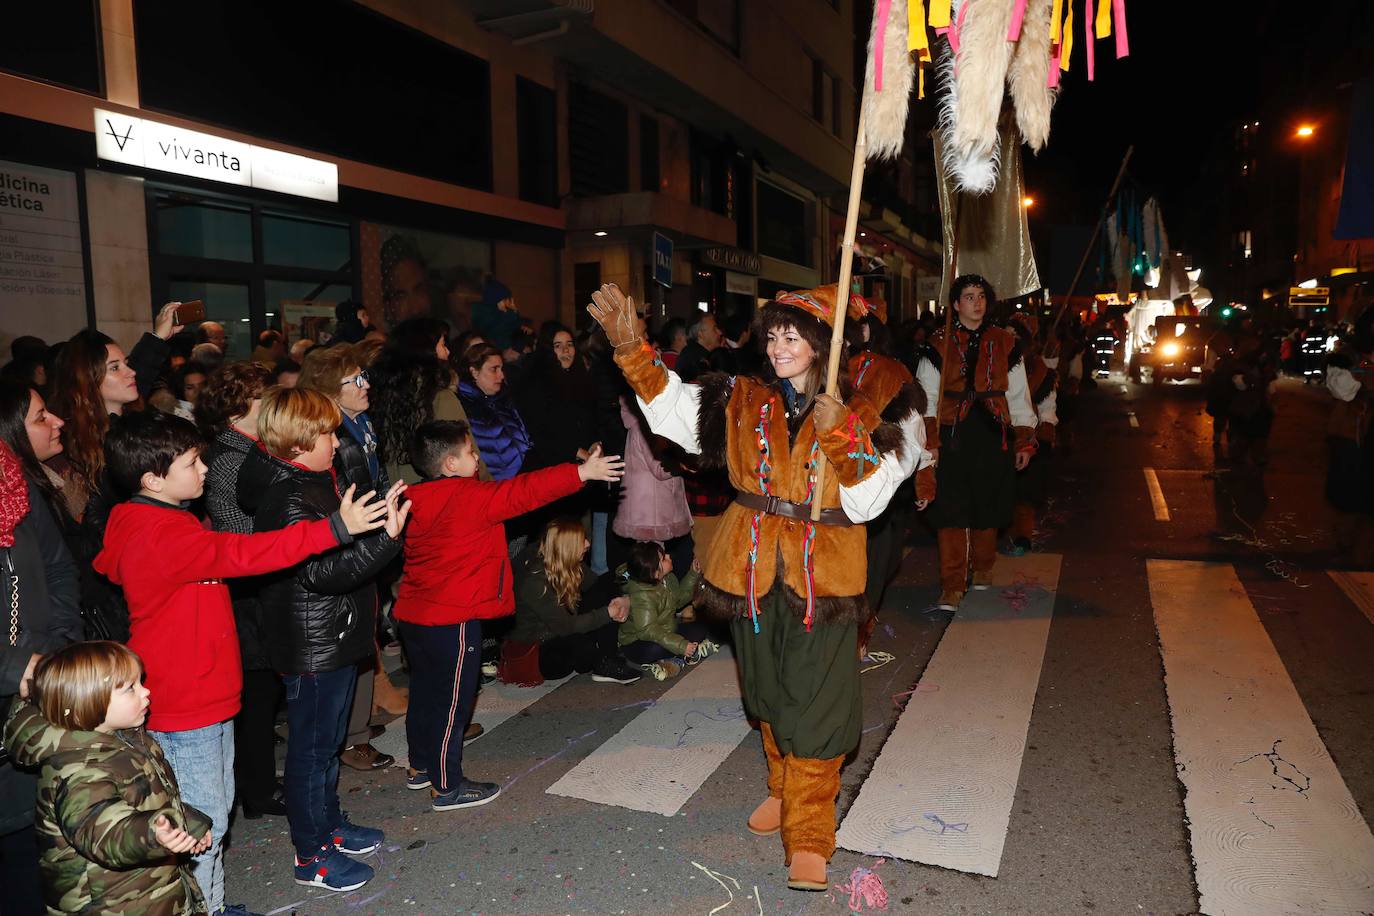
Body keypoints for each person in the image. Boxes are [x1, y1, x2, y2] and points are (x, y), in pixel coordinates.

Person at [587, 281, 926, 891]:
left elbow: (869, 501)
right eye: (772, 336)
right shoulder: (742, 399)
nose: (777, 347)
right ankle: (782, 785)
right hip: (748, 568)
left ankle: (810, 833)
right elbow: (671, 408)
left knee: (818, 705)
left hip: (824, 578)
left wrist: (844, 435)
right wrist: (633, 352)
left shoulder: (868, 411)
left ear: (822, 344)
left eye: (792, 336)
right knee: (767, 692)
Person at [92, 409, 391, 913]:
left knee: (213, 808)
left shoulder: (163, 520)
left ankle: (211, 903)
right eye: (192, 463)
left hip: (200, 690)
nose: (205, 469)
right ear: (152, 479)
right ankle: (204, 907)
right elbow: (246, 554)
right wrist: (336, 528)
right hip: (186, 698)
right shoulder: (159, 534)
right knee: (200, 819)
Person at [394, 421, 623, 810]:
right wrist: (581, 473)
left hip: (414, 616)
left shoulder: (413, 498)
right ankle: (447, 786)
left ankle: (420, 766)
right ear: (450, 464)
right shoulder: (471, 496)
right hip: (453, 619)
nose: (477, 457)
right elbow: (525, 492)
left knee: (425, 693)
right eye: (470, 452)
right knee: (453, 702)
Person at [237, 388, 407, 893]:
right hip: (313, 642)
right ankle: (311, 854)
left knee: (328, 745)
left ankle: (329, 827)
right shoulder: (288, 496)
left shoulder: (313, 480)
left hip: (332, 633)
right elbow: (321, 574)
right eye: (328, 434)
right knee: (312, 753)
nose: (337, 442)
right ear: (298, 441)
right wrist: (386, 541)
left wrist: (374, 530)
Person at [2, 642, 214, 915]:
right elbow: (103, 832)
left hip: (146, 891)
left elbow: (148, 798)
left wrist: (186, 825)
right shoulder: (77, 769)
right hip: (108, 904)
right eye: (131, 688)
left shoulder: (125, 740)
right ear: (89, 701)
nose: (146, 691)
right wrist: (152, 834)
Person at [299, 345, 403, 759]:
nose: (365, 384)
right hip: (349, 537)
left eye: (364, 376)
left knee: (365, 624)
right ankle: (353, 736)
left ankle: (359, 718)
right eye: (355, 379)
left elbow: (375, 475)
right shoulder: (329, 431)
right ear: (329, 389)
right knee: (351, 629)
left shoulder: (359, 422)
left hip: (368, 531)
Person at [195, 361, 286, 820]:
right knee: (256, 693)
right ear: (237, 408)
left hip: (253, 584)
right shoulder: (231, 458)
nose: (271, 404)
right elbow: (236, 532)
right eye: (263, 397)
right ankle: (258, 791)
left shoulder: (250, 449)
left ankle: (259, 784)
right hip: (246, 590)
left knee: (262, 692)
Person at [916, 276, 1037, 611]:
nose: (976, 302)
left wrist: (1024, 441)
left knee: (989, 504)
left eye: (981, 296)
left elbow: (1018, 395)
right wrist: (930, 441)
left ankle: (983, 566)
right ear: (956, 304)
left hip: (993, 433)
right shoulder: (938, 343)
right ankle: (952, 585)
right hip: (951, 433)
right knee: (950, 509)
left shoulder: (1005, 342)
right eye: (968, 297)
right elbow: (926, 397)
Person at [0, 429, 82, 916]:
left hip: (37, 684)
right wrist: (12, 665)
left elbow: (57, 568)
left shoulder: (13, 477)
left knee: (34, 847)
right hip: (15, 674)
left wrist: (58, 646)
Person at [509, 518, 641, 684]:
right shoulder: (534, 581)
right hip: (540, 650)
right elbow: (566, 627)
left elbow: (598, 586)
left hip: (562, 631)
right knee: (583, 647)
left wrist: (625, 600)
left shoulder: (566, 561)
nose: (588, 544)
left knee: (609, 582)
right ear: (566, 547)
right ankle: (604, 661)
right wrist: (608, 613)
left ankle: (607, 655)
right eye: (581, 540)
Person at [369, 318, 482, 485]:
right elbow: (468, 455)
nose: (448, 352)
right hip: (445, 493)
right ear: (426, 353)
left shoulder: (384, 397)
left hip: (403, 493)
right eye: (442, 345)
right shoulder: (441, 398)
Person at [615, 541, 715, 680]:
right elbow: (649, 630)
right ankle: (680, 657)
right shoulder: (642, 595)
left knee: (700, 630)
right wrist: (680, 645)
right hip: (638, 642)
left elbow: (678, 600)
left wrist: (693, 574)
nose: (668, 556)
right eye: (663, 559)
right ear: (656, 573)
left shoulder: (667, 578)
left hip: (666, 630)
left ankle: (676, 658)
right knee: (654, 649)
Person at [1006, 313, 1059, 556]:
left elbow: (1047, 408)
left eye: (1017, 334)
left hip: (1029, 436)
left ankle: (1023, 536)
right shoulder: (994, 360)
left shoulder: (1040, 370)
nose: (1011, 338)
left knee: (1024, 493)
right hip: (998, 435)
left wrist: (1043, 435)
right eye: (1008, 333)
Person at [458, 344, 531, 482]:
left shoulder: (504, 398)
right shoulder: (464, 407)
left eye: (501, 369)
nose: (501, 376)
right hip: (498, 485)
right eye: (494, 369)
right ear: (474, 372)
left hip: (527, 477)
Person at [472, 279, 521, 352]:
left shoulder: (502, 313)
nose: (509, 302)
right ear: (499, 300)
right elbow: (499, 336)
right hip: (491, 352)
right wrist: (509, 314)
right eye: (506, 299)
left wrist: (514, 312)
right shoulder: (484, 313)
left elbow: (515, 331)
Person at [675, 312, 722, 382]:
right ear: (700, 334)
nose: (720, 332)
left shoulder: (694, 353)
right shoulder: (695, 359)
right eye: (714, 329)